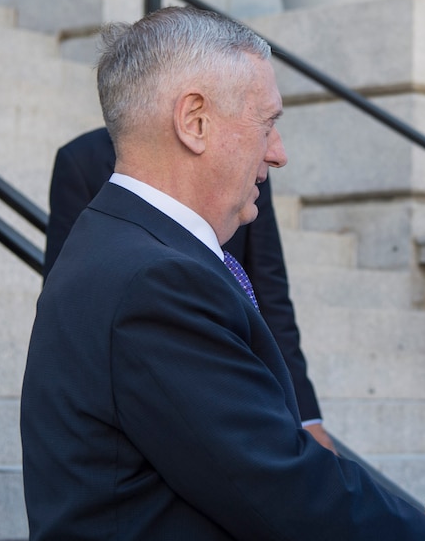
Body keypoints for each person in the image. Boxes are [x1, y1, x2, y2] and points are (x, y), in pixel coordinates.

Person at [20, 5, 425, 541]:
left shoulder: (125, 248)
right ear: (194, 121)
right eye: (267, 123)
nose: (277, 153)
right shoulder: (152, 281)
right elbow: (273, 478)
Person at [44, 126, 335, 451]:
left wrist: (305, 415)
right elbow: (67, 294)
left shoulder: (245, 161)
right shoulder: (81, 159)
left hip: (236, 377)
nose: (277, 153)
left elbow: (270, 289)